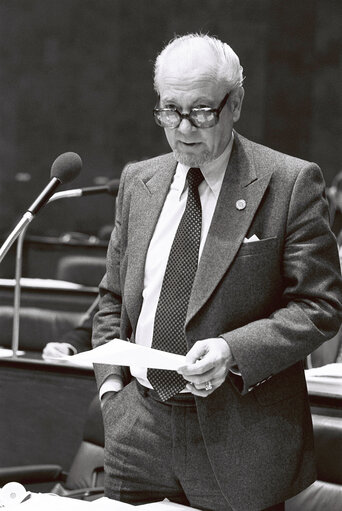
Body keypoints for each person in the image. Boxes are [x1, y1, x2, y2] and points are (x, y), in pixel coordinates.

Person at [92, 34, 342, 511]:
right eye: (170, 110)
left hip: (240, 440)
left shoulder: (289, 182)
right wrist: (111, 393)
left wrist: (233, 350)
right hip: (136, 431)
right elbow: (111, 298)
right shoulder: (137, 181)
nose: (184, 128)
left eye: (202, 111)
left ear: (236, 104)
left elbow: (321, 306)